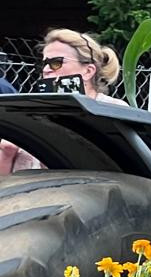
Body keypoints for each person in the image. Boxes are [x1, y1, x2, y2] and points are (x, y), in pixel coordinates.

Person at [0, 30, 127, 174]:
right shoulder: (31, 109)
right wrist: (7, 153)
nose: (47, 70)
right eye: (45, 64)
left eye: (56, 63)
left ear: (88, 71)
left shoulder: (111, 110)